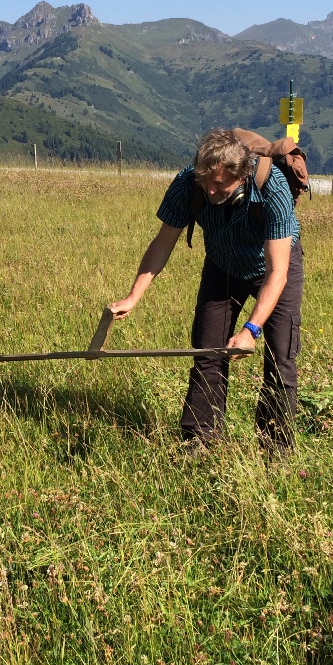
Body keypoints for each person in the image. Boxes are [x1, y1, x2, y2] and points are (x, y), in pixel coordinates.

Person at [110, 128, 303, 456]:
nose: (210, 190)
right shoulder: (189, 182)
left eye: (219, 185)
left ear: (241, 177)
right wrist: (133, 296)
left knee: (280, 359)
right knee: (206, 353)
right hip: (222, 266)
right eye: (206, 182)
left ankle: (276, 450)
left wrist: (250, 330)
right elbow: (162, 242)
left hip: (272, 271)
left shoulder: (273, 188)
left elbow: (278, 273)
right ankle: (200, 441)